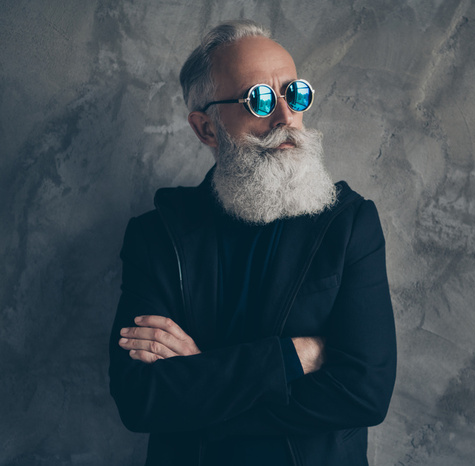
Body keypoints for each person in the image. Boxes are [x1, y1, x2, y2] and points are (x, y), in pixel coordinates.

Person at [108, 19, 397, 466]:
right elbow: (140, 398)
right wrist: (292, 356)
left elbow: (364, 394)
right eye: (258, 100)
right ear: (206, 128)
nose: (285, 118)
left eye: (295, 94)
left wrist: (202, 380)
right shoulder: (157, 236)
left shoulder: (350, 224)